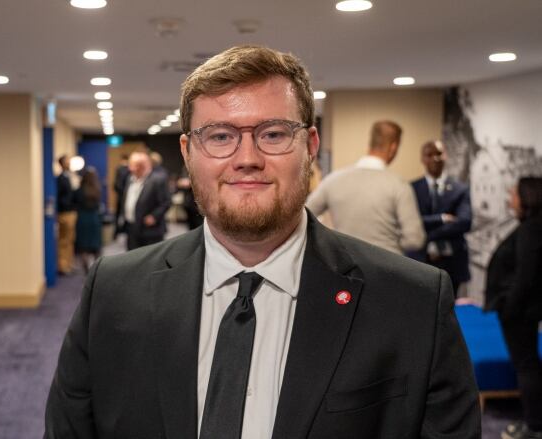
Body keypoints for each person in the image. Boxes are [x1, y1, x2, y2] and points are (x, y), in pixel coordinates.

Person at [45, 45, 480, 438]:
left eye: (273, 134)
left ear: (310, 146)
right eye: (219, 136)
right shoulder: (113, 292)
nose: (248, 159)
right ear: (187, 153)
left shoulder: (413, 302)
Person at [306, 120, 426, 254]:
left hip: (346, 265)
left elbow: (304, 216)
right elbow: (415, 239)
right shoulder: (399, 185)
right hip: (387, 266)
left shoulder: (333, 179)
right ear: (393, 147)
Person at [485, 177, 542, 439]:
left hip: (520, 312)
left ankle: (534, 426)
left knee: (526, 365)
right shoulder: (531, 227)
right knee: (528, 364)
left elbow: (525, 276)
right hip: (523, 309)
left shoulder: (531, 229)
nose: (510, 198)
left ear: (527, 197)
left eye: (514, 193)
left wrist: (509, 308)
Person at [407, 140, 472, 296]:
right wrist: (441, 219)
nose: (435, 158)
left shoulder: (460, 189)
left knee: (448, 310)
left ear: (446, 156)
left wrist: (428, 235)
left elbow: (464, 222)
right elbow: (412, 221)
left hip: (451, 263)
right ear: (422, 159)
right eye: (430, 155)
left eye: (439, 154)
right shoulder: (411, 188)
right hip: (419, 260)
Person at [119, 149, 171, 250]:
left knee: (151, 262)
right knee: (133, 259)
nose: (129, 168)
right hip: (132, 227)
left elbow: (166, 202)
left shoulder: (158, 180)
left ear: (141, 166)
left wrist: (154, 216)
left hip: (150, 231)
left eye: (132, 165)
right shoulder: (130, 178)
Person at [74, 167, 103, 273]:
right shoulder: (97, 190)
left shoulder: (79, 191)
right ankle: (97, 270)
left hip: (82, 218)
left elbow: (74, 203)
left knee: (83, 247)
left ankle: (87, 272)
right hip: (94, 218)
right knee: (96, 246)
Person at [56, 154, 77, 275]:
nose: (69, 163)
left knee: (70, 239)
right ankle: (63, 266)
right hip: (64, 213)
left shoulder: (70, 176)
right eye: (67, 161)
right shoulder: (60, 178)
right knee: (64, 240)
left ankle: (69, 263)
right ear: (62, 163)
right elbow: (61, 196)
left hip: (71, 211)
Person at [112, 153, 130, 238]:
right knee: (127, 214)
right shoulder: (130, 169)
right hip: (128, 196)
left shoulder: (119, 169)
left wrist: (120, 193)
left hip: (121, 196)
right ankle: (127, 232)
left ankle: (116, 233)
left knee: (118, 214)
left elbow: (116, 184)